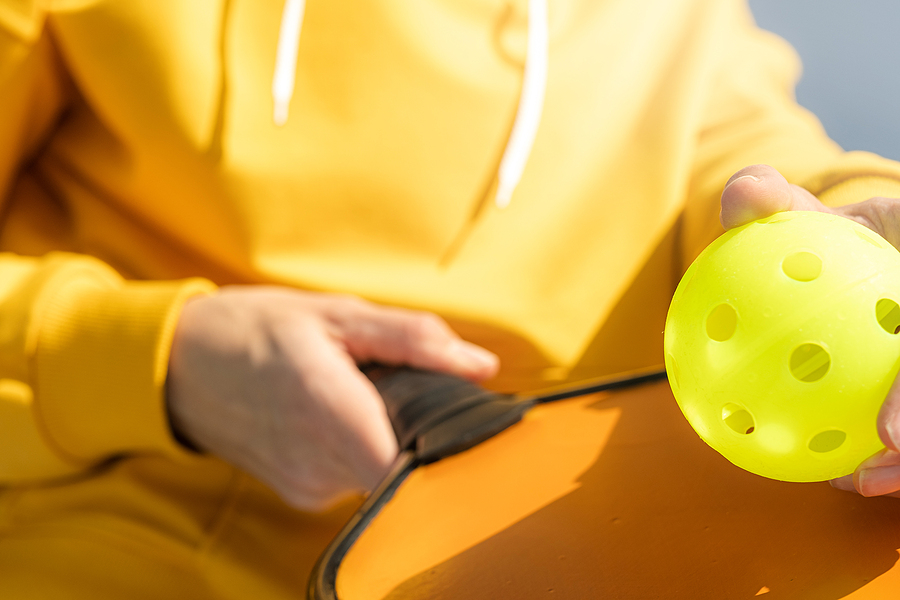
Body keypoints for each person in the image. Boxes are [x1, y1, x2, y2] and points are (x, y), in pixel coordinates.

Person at [1, 0, 899, 597]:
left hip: (554, 556)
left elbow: (752, 164)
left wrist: (866, 229)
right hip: (115, 544)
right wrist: (164, 361)